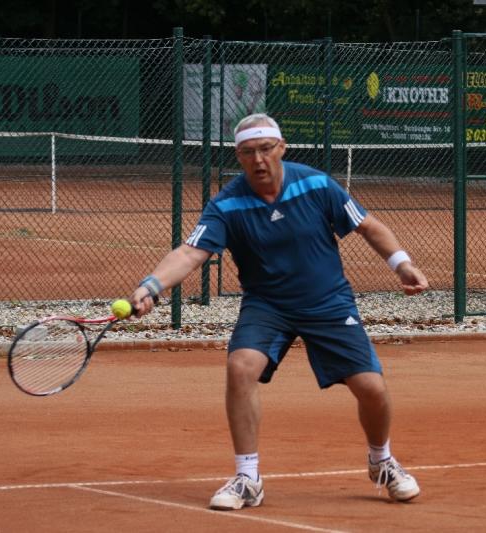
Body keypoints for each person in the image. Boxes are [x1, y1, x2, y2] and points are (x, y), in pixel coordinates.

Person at [130, 113, 428, 511]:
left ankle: (382, 461)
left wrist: (402, 264)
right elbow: (189, 253)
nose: (258, 159)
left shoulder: (316, 185)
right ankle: (247, 478)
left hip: (327, 301)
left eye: (266, 149)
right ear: (238, 156)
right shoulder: (226, 204)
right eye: (248, 152)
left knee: (372, 388)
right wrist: (151, 286)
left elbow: (368, 226)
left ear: (282, 148)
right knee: (240, 367)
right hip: (267, 304)